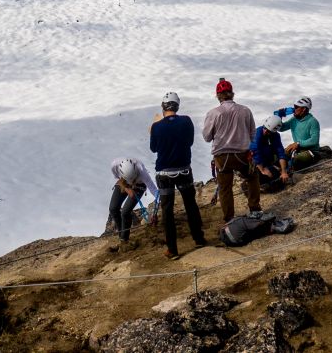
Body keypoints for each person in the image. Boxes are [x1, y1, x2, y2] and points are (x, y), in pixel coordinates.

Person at [149, 91, 206, 259]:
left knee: (167, 211)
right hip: (184, 170)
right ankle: (199, 238)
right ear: (177, 106)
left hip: (164, 172)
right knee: (190, 204)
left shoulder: (156, 127)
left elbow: (154, 148)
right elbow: (189, 142)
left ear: (163, 107)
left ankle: (172, 249)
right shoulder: (186, 121)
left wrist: (155, 128)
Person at [202, 77, 259, 228]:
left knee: (225, 187)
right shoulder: (245, 110)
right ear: (232, 94)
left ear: (218, 95)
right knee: (252, 177)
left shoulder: (214, 113)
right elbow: (253, 134)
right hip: (242, 154)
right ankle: (254, 208)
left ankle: (229, 218)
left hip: (222, 156)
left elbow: (207, 137)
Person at [108, 156, 158, 245]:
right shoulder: (115, 165)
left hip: (139, 185)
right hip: (123, 182)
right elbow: (117, 178)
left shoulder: (142, 171)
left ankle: (124, 239)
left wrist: (161, 201)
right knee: (113, 208)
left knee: (125, 212)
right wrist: (127, 188)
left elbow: (153, 189)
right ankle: (121, 236)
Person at [274, 96, 322, 168]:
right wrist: (279, 117)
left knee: (297, 160)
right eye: (294, 106)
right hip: (297, 149)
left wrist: (298, 143)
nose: (294, 109)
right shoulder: (294, 120)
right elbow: (281, 128)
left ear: (304, 109)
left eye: (296, 107)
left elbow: (314, 140)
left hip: (311, 151)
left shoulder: (313, 121)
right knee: (278, 156)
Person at [251, 113, 292, 192]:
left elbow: (280, 153)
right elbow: (255, 151)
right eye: (265, 128)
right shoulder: (257, 134)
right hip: (256, 163)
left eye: (268, 131)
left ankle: (265, 184)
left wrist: (284, 171)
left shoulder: (275, 136)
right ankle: (252, 184)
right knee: (265, 176)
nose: (265, 131)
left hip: (267, 162)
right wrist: (263, 169)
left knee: (278, 178)